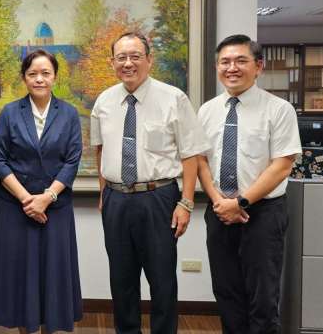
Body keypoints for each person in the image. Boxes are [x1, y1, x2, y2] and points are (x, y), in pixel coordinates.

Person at [90, 32, 206, 334]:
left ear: (149, 59)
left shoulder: (174, 98)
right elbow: (100, 149)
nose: (128, 63)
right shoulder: (104, 101)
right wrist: (104, 193)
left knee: (162, 280)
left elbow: (191, 155)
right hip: (116, 200)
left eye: (135, 56)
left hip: (159, 199)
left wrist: (186, 202)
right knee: (122, 280)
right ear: (112, 62)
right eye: (121, 57)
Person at [195, 34, 301, 334]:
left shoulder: (279, 109)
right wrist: (218, 200)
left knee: (263, 298)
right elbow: (200, 160)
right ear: (217, 67)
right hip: (219, 212)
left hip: (263, 214)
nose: (232, 68)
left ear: (258, 66)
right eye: (225, 62)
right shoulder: (207, 110)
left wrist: (240, 203)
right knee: (226, 293)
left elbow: (282, 164)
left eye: (241, 61)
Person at [0, 49, 83, 334]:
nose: (39, 79)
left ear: (55, 76)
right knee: (20, 278)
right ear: (24, 77)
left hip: (55, 208)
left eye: (45, 73)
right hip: (15, 209)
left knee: (52, 277)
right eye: (32, 74)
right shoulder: (9, 112)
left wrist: (47, 198)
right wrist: (27, 200)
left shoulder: (68, 113)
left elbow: (72, 160)